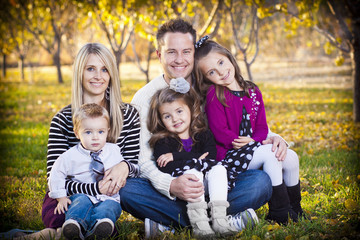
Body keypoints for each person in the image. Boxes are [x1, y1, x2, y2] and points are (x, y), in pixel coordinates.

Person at [122, 18, 287, 237]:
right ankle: (224, 219)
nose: (179, 59)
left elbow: (243, 122)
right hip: (171, 182)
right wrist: (171, 185)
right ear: (159, 55)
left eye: (186, 51)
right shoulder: (144, 98)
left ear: (194, 53)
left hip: (216, 180)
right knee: (129, 190)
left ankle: (172, 224)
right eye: (171, 52)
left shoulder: (213, 85)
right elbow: (142, 161)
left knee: (260, 182)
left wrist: (272, 136)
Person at [194, 37, 304, 224]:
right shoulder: (216, 94)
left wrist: (255, 141)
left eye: (221, 62)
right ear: (207, 78)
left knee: (291, 158)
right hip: (230, 154)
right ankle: (279, 212)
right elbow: (219, 131)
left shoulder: (253, 91)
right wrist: (242, 141)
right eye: (212, 72)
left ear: (229, 57)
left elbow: (261, 127)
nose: (221, 72)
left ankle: (296, 208)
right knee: (271, 155)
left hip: (252, 147)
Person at [39, 43, 141, 237]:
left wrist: (124, 167)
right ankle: (76, 229)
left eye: (104, 69)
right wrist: (93, 188)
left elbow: (136, 166)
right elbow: (55, 176)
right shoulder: (62, 119)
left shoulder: (128, 114)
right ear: (80, 73)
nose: (98, 76)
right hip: (78, 191)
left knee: (131, 191)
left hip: (114, 190)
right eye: (90, 69)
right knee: (56, 211)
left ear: (111, 74)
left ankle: (61, 233)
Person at [148, 80, 257, 236]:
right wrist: (197, 160)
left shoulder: (204, 134)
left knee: (219, 168)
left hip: (212, 185)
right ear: (161, 119)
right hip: (185, 191)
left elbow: (211, 159)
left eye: (179, 111)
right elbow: (165, 167)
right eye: (167, 116)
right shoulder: (163, 141)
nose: (175, 119)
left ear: (190, 110)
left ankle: (220, 220)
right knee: (194, 172)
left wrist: (176, 156)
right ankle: (200, 224)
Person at [49, 103, 123, 239]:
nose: (95, 137)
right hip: (82, 194)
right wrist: (61, 197)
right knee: (79, 204)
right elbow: (56, 174)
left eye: (100, 132)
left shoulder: (114, 151)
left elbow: (128, 169)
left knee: (109, 207)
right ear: (77, 133)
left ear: (108, 131)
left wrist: (122, 175)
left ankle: (100, 226)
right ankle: (74, 225)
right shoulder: (69, 156)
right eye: (88, 132)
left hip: (108, 196)